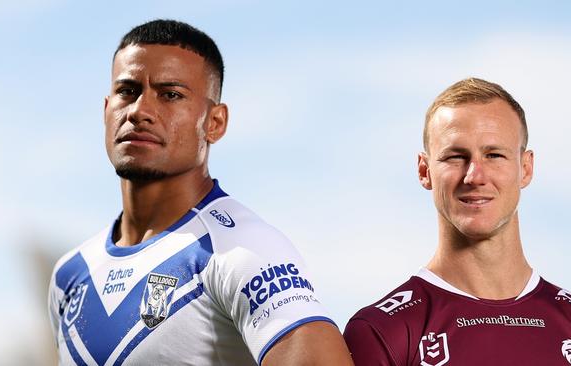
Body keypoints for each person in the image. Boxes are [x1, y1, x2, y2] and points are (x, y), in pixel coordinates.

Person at [48, 19, 352, 366]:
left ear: (215, 123)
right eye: (127, 91)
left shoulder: (243, 250)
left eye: (170, 94)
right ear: (106, 110)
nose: (139, 111)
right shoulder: (70, 274)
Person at [343, 78, 571, 365]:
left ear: (525, 168)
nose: (475, 176)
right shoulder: (382, 331)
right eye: (455, 157)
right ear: (425, 171)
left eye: (494, 155)